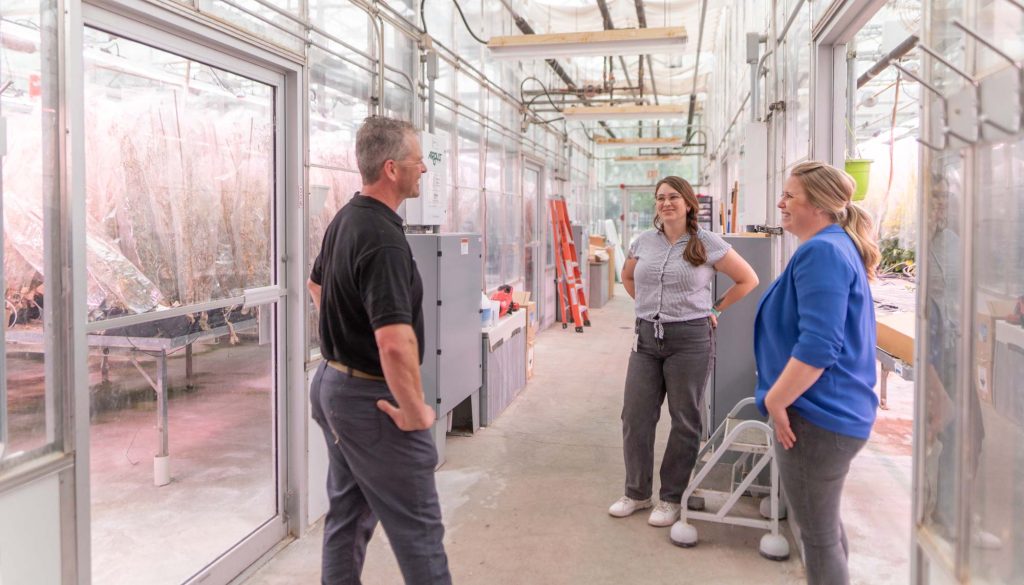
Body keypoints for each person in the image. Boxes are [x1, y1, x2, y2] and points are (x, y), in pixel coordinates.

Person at [307, 116, 452, 585]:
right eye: (417, 161)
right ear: (392, 168)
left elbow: (316, 285)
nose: (423, 171)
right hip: (374, 402)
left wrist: (345, 333)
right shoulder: (385, 240)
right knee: (419, 531)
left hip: (333, 386)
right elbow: (394, 342)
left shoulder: (347, 219)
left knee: (347, 516)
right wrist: (414, 411)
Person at [753, 161, 881, 585]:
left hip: (817, 416)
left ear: (820, 203)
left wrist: (776, 399)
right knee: (824, 531)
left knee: (819, 540)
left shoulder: (823, 251)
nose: (780, 202)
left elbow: (818, 347)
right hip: (832, 412)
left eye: (790, 195)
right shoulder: (833, 244)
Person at [611, 176, 759, 527]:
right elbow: (628, 277)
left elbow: (747, 278)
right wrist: (647, 306)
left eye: (673, 197)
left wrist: (715, 309)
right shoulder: (643, 242)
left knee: (685, 419)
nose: (666, 203)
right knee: (635, 416)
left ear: (688, 203)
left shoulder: (706, 242)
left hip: (690, 339)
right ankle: (636, 492)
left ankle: (671, 497)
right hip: (646, 338)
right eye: (660, 198)